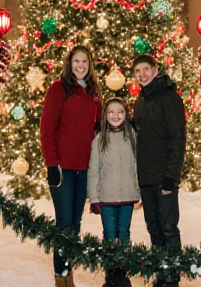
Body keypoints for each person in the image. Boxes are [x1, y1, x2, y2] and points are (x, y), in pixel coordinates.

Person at [40, 45, 102, 287]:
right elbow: (47, 130)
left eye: (84, 61)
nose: (80, 65)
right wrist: (51, 164)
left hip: (84, 170)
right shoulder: (59, 90)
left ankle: (69, 275)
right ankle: (60, 278)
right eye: (76, 61)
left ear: (90, 64)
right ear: (69, 63)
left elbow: (97, 128)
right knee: (64, 222)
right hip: (63, 170)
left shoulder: (94, 93)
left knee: (75, 225)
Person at [131, 54, 185, 287]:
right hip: (146, 177)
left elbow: (177, 138)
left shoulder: (169, 98)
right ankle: (161, 272)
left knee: (168, 228)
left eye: (145, 69)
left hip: (163, 178)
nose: (141, 74)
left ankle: (171, 279)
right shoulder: (141, 100)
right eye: (137, 71)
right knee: (153, 227)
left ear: (154, 70)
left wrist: (171, 177)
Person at [87, 98, 139, 287]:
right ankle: (110, 272)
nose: (115, 116)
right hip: (106, 196)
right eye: (111, 112)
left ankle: (122, 271)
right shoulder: (99, 139)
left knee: (123, 233)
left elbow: (136, 166)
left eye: (120, 112)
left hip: (127, 195)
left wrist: (139, 190)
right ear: (104, 116)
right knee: (109, 234)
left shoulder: (132, 136)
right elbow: (94, 170)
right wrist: (94, 197)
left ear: (126, 115)